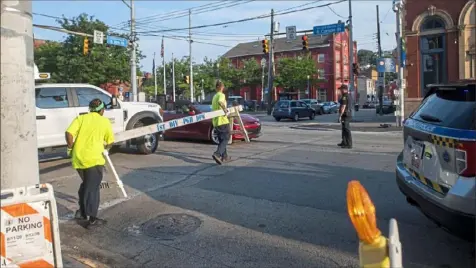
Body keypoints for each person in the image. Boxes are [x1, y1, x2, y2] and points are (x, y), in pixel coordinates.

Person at [65, 98, 115, 227]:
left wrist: (71, 147)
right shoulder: (104, 122)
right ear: (102, 110)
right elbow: (110, 141)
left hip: (78, 158)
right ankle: (92, 219)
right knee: (93, 188)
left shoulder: (81, 119)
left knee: (86, 185)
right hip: (94, 159)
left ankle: (82, 212)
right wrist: (106, 148)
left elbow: (69, 133)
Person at [211, 80, 231, 165]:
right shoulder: (221, 95)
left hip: (215, 121)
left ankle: (225, 156)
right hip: (222, 120)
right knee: (226, 138)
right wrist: (226, 110)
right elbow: (221, 102)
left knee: (221, 139)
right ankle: (217, 154)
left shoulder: (214, 96)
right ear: (221, 87)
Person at [337, 85, 353, 149]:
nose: (340, 91)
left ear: (344, 89)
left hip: (346, 114)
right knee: (344, 129)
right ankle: (344, 142)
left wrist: (340, 116)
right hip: (347, 114)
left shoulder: (345, 96)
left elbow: (343, 106)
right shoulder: (347, 96)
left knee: (346, 129)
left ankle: (349, 144)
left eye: (341, 89)